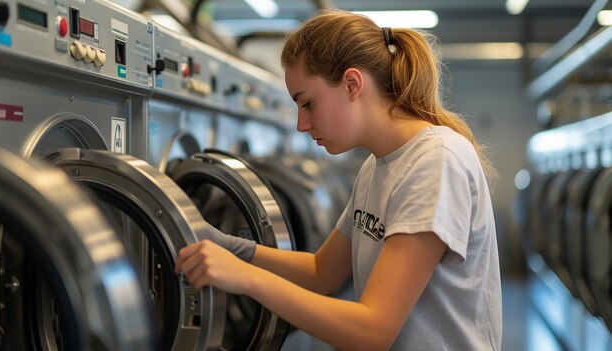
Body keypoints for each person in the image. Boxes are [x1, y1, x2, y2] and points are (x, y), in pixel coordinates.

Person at [175, 9, 502, 350]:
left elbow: (373, 330)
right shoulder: (376, 167)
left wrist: (246, 278)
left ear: (351, 84)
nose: (301, 124)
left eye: (308, 103)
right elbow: (321, 271)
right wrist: (233, 247)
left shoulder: (436, 160)